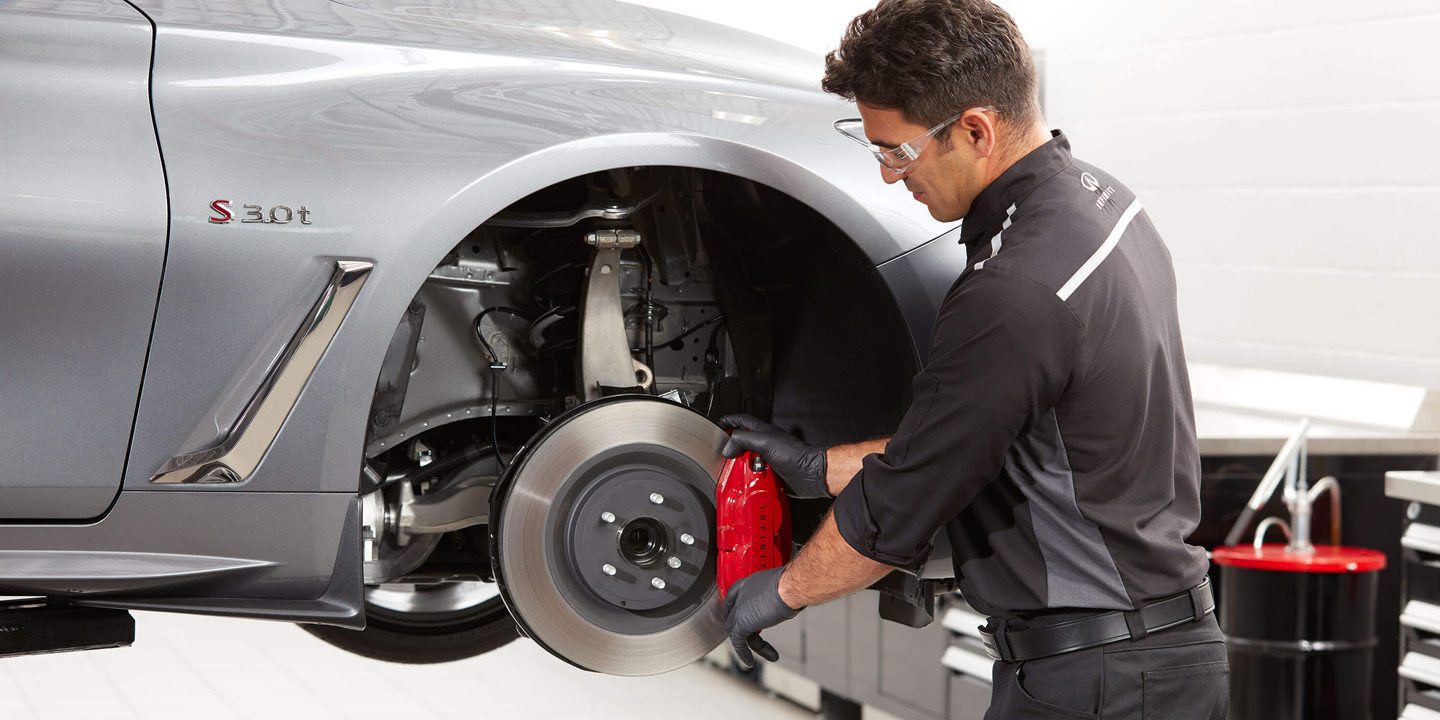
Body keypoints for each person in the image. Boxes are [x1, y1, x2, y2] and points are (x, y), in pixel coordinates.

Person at [718, 1, 1229, 717]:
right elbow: (980, 438)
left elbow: (904, 504)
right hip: (1141, 660)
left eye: (897, 151)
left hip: (1100, 681)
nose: (892, 176)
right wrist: (814, 466)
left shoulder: (1016, 289)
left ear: (976, 130)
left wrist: (779, 592)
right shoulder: (1105, 202)